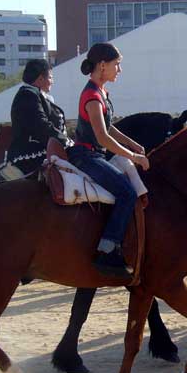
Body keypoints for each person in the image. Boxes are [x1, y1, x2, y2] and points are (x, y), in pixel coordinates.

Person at [68, 42, 149, 279]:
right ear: (102, 66)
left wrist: (133, 143)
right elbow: (102, 137)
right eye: (117, 65)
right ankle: (107, 248)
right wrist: (133, 156)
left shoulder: (100, 92)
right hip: (86, 156)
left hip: (93, 154)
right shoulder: (92, 96)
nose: (119, 70)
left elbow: (108, 126)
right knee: (127, 193)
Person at [4, 59, 73, 177]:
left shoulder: (37, 95)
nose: (53, 81)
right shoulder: (28, 95)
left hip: (46, 150)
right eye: (50, 77)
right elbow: (41, 126)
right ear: (41, 78)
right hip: (30, 154)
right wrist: (66, 142)